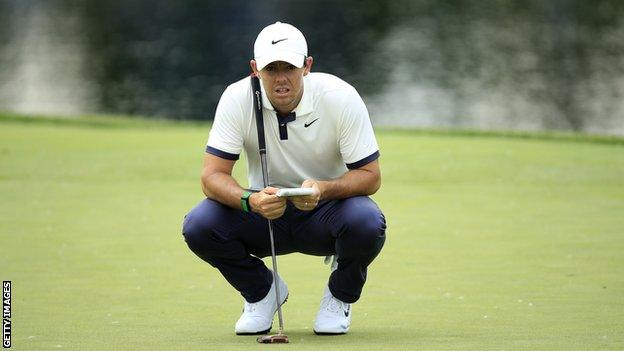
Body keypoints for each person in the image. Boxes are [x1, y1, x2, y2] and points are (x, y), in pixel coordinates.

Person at [182, 21, 386, 335]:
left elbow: (371, 177)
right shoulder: (237, 98)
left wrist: (324, 189)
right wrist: (250, 200)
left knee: (367, 221)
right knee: (199, 224)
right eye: (271, 68)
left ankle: (339, 296)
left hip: (324, 213)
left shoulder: (340, 96)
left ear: (307, 66)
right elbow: (212, 176)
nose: (281, 79)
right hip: (264, 215)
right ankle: (262, 292)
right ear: (255, 69)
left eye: (289, 67)